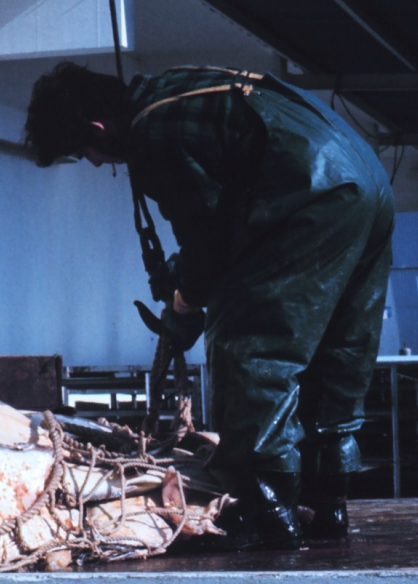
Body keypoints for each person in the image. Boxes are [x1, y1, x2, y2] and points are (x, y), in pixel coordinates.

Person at [24, 63, 395, 550]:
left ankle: (271, 517)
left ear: (97, 129)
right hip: (368, 185)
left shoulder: (153, 131)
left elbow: (208, 244)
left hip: (311, 194)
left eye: (83, 151)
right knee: (337, 351)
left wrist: (184, 306)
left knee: (250, 346)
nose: (94, 162)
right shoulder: (177, 86)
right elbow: (222, 217)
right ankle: (328, 507)